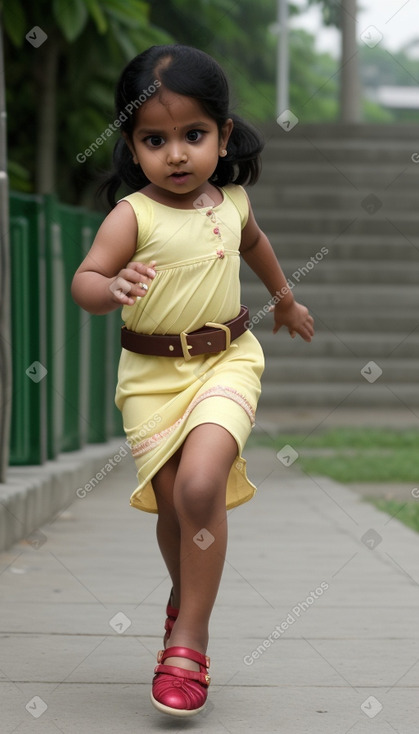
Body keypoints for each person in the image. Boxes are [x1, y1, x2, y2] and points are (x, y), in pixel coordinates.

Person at [71, 44, 314, 719]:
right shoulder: (132, 216)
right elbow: (84, 281)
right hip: (150, 379)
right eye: (155, 139)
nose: (176, 154)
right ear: (132, 145)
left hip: (225, 362)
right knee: (178, 502)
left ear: (223, 135)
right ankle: (186, 598)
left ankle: (190, 638)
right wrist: (109, 284)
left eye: (193, 135)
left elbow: (256, 244)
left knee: (203, 484)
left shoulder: (231, 203)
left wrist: (284, 301)